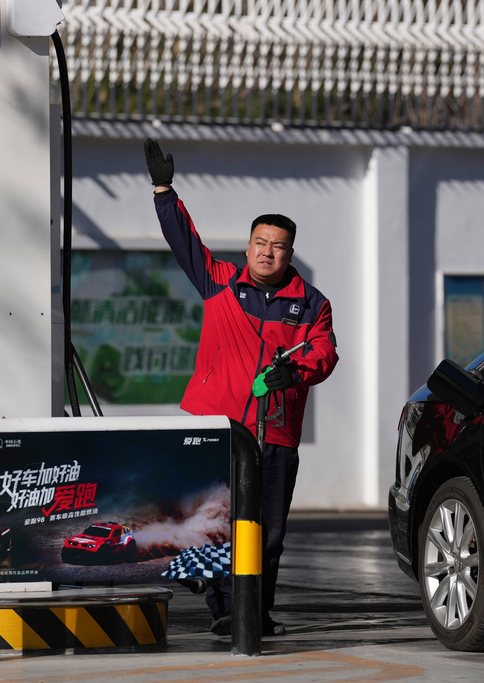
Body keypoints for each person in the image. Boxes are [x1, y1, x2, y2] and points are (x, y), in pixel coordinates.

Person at [143, 138, 339, 636]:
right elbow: (183, 240)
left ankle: (253, 611)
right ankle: (226, 605)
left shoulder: (312, 303)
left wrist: (293, 373)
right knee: (212, 525)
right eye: (260, 243)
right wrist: (164, 190)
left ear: (289, 252)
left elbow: (324, 352)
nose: (267, 252)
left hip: (275, 434)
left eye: (277, 246)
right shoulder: (220, 283)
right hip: (218, 427)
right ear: (248, 245)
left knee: (267, 534)